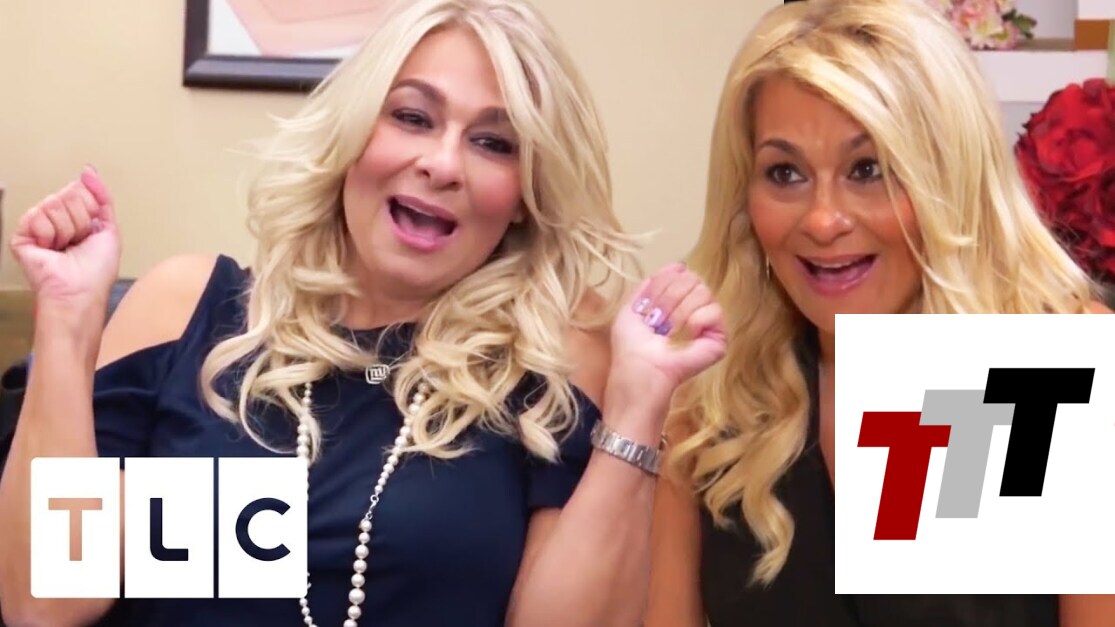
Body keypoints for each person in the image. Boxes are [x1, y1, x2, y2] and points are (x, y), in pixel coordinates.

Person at [0, 0, 728, 625]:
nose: (443, 164)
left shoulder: (548, 364)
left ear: (523, 196)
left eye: (492, 142)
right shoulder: (187, 309)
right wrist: (67, 319)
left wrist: (638, 407)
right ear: (352, 137)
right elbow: (45, 603)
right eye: (412, 116)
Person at [644, 1, 1115, 626]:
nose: (823, 220)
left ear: (949, 176)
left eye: (868, 169)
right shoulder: (712, 396)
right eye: (784, 173)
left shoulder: (1052, 358)